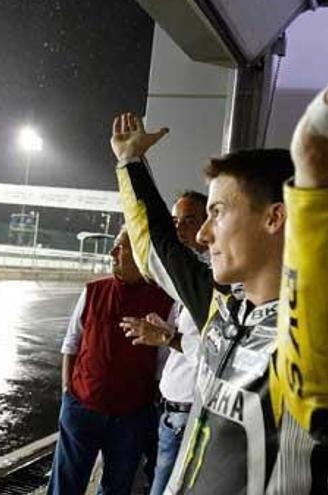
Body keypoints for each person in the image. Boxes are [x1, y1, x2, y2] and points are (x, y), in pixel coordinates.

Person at [111, 15, 328, 494]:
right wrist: (129, 162)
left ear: (275, 218)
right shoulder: (220, 309)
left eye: (218, 212)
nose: (206, 232)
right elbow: (157, 249)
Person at [48, 228, 175, 495]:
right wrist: (67, 395)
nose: (112, 252)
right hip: (81, 408)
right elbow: (71, 344)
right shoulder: (94, 291)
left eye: (121, 247)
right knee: (65, 485)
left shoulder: (165, 302)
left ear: (141, 255)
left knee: (116, 487)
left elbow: (163, 365)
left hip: (130, 416)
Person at [119, 190, 209, 495]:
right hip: (170, 411)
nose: (180, 229)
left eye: (190, 221)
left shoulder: (212, 281)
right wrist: (166, 332)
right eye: (175, 222)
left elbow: (218, 354)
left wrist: (168, 337)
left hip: (187, 414)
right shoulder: (184, 283)